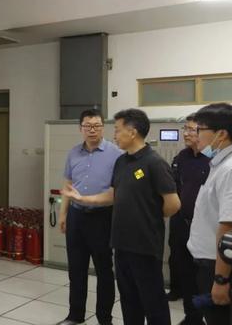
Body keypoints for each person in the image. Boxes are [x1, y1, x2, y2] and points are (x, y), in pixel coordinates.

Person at [62, 108, 181, 325]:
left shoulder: (154, 163)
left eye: (117, 130)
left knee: (152, 299)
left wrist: (147, 218)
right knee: (129, 298)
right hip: (121, 241)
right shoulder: (122, 162)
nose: (114, 135)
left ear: (132, 132)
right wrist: (83, 199)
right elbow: (113, 194)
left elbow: (173, 204)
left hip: (144, 243)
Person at [56, 109, 122, 325]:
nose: (92, 130)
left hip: (102, 218)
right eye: (87, 126)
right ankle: (75, 315)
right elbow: (68, 185)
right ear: (80, 128)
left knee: (104, 271)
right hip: (76, 217)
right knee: (76, 269)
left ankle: (104, 318)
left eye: (96, 126)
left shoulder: (116, 154)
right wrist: (63, 214)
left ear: (103, 128)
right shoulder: (73, 153)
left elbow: (117, 190)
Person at [187, 102, 232, 325]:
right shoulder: (221, 164)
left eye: (199, 129)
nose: (194, 135)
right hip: (210, 263)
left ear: (221, 134)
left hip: (220, 267)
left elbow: (231, 229)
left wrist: (220, 279)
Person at [168, 114, 209, 325]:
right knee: (183, 270)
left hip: (205, 228)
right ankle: (192, 317)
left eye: (192, 129)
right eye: (185, 128)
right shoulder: (181, 158)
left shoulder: (213, 160)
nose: (186, 133)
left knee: (203, 275)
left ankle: (206, 316)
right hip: (180, 224)